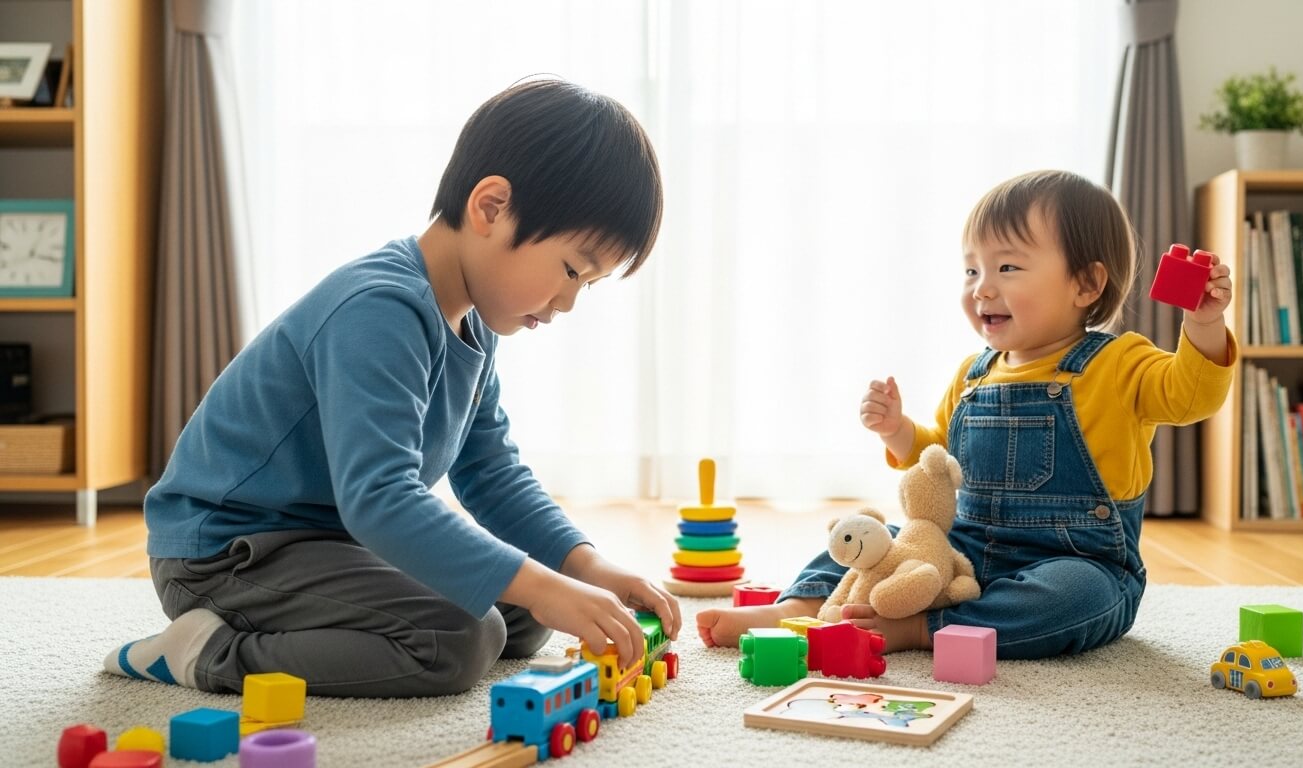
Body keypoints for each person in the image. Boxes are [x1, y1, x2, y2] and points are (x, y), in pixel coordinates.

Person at [104, 79, 680, 697]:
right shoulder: (379, 307)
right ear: (490, 207)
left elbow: (492, 474)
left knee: (522, 616)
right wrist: (545, 585)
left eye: (587, 286)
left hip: (329, 543)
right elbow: (379, 497)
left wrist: (584, 568)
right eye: (571, 269)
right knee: (461, 637)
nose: (568, 302)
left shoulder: (473, 327)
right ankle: (208, 651)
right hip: (226, 553)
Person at [697, 169, 1236, 658]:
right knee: (866, 536)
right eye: (971, 269)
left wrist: (1204, 328)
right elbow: (939, 457)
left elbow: (1190, 396)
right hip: (964, 551)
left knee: (1082, 597)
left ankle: (924, 627)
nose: (983, 287)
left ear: (1086, 284)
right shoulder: (973, 374)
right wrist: (899, 430)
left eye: (1007, 266)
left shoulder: (1119, 362)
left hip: (1074, 558)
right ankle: (800, 608)